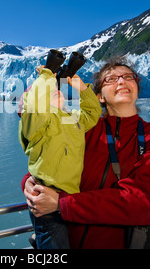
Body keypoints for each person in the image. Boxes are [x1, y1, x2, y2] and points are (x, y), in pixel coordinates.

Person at [22, 57, 150, 249]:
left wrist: (62, 204)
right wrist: (30, 181)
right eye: (111, 79)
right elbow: (46, 149)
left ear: (137, 88)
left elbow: (142, 202)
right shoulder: (81, 130)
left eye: (128, 76)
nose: (121, 81)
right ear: (99, 96)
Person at [18, 62, 102, 249]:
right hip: (46, 200)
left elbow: (93, 112)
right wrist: (47, 75)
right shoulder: (37, 124)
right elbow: (35, 105)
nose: (55, 89)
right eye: (48, 91)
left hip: (69, 199)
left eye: (56, 88)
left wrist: (82, 89)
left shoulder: (72, 118)